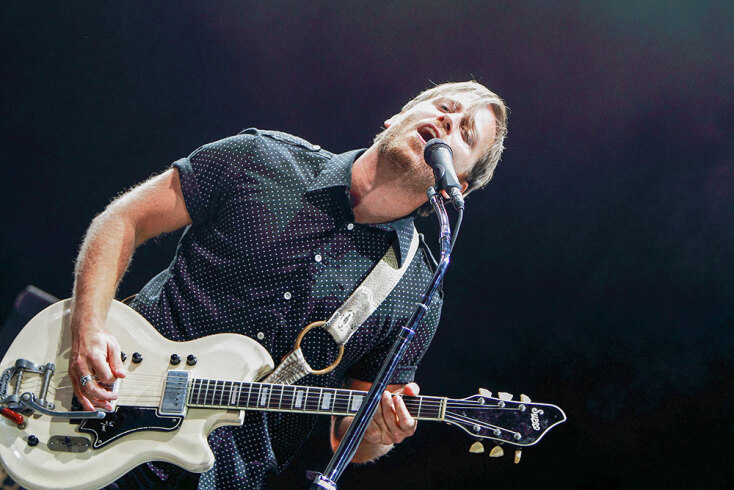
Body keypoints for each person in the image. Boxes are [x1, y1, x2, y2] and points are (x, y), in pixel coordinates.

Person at [68, 80, 508, 488]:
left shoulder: (416, 288)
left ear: (457, 186)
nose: (448, 120)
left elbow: (346, 438)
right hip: (102, 408)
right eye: (444, 107)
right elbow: (124, 220)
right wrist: (88, 328)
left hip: (218, 478)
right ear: (398, 117)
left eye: (466, 132)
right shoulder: (260, 157)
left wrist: (377, 436)